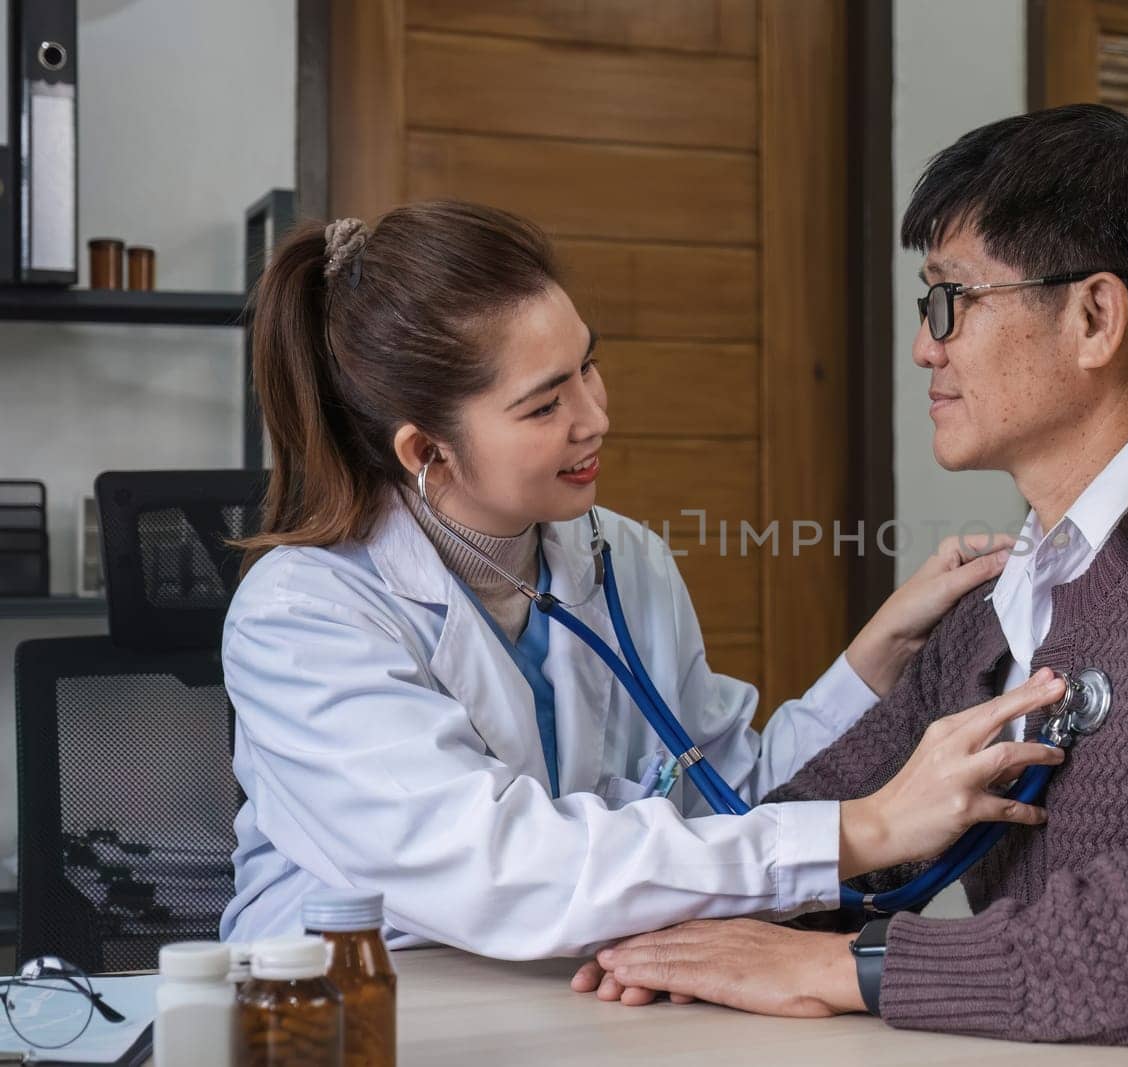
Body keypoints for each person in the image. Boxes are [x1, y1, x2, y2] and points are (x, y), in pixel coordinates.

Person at [574, 105, 1128, 1064]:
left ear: (1094, 316)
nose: (927, 347)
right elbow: (827, 832)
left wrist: (842, 969)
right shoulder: (1000, 608)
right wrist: (668, 930)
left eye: (950, 301)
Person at [219, 200, 1074, 957]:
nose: (596, 417)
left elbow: (726, 791)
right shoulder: (304, 617)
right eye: (545, 404)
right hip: (356, 1004)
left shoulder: (614, 555)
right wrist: (868, 827)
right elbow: (501, 868)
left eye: (587, 366)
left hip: (576, 989)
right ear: (426, 450)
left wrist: (874, 660)